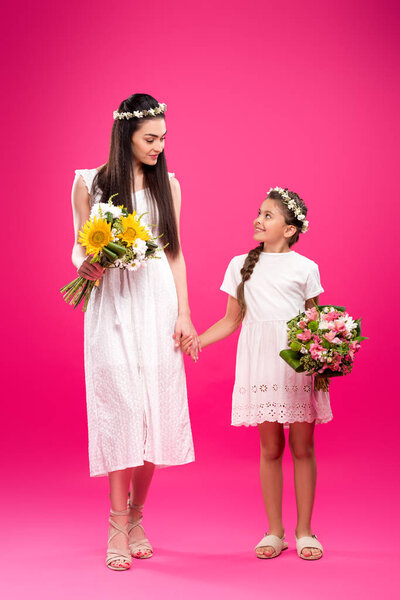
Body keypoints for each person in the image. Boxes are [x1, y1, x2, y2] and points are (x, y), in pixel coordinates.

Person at [71, 93, 198, 570]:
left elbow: (175, 254)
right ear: (125, 135)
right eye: (151, 138)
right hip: (112, 306)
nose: (159, 147)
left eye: (163, 139)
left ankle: (137, 516)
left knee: (153, 412)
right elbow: (78, 243)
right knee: (120, 407)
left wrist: (184, 314)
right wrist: (86, 262)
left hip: (157, 306)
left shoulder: (171, 186)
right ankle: (116, 521)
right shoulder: (90, 183)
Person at [183, 187, 332, 560]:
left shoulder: (306, 267)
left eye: (269, 215)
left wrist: (330, 350)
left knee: (302, 447)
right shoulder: (239, 264)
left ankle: (305, 531)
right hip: (262, 364)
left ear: (290, 229)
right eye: (259, 212)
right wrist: (198, 340)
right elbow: (232, 319)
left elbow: (316, 321)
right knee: (270, 449)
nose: (259, 219)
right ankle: (274, 531)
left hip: (297, 364)